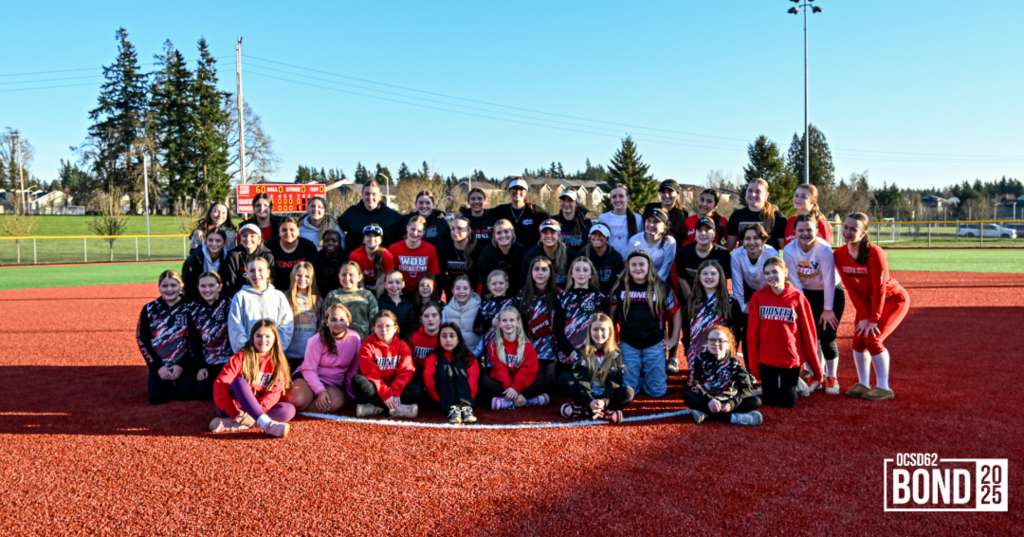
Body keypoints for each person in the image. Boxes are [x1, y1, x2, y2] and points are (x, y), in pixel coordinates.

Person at [833, 212, 910, 401]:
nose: (848, 232)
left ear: (864, 233)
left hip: (892, 300)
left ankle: (884, 387)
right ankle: (864, 383)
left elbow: (880, 289)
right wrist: (864, 314)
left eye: (853, 229)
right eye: (846, 227)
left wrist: (873, 319)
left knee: (873, 340)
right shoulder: (839, 254)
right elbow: (850, 288)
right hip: (867, 303)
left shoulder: (875, 253)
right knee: (858, 340)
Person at [747, 257, 823, 408]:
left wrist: (816, 369)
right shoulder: (758, 297)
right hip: (767, 359)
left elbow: (808, 332)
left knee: (788, 403)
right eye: (767, 273)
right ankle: (778, 384)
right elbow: (752, 333)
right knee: (770, 401)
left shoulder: (797, 297)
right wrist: (754, 366)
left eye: (775, 271)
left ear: (785, 272)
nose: (771, 276)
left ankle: (797, 381)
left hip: (789, 360)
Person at [783, 214, 846, 395]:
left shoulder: (823, 249)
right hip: (807, 293)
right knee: (809, 336)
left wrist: (827, 309)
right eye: (801, 230)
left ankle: (831, 377)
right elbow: (795, 280)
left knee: (826, 335)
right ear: (794, 232)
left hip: (831, 292)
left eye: (809, 230)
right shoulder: (789, 250)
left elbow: (828, 280)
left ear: (817, 231)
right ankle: (816, 376)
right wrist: (803, 308)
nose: (805, 234)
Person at [609, 251, 681, 398]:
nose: (637, 268)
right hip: (628, 343)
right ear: (627, 267)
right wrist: (612, 339)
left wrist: (674, 339)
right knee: (629, 392)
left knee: (657, 392)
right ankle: (638, 379)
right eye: (633, 264)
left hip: (654, 343)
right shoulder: (620, 287)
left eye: (641, 264)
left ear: (649, 266)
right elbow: (611, 315)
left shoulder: (661, 287)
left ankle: (646, 379)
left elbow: (676, 311)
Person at [209, 320, 293, 438]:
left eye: (267, 336)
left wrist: (256, 412)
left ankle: (236, 425)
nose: (263, 340)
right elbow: (220, 385)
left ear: (275, 339)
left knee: (288, 410)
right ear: (252, 337)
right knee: (240, 383)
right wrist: (234, 413)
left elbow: (274, 393)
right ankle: (266, 424)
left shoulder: (278, 362)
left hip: (257, 410)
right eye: (258, 336)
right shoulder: (241, 357)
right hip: (234, 409)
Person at [285, 303, 361, 414]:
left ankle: (304, 408)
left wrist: (351, 397)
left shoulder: (354, 338)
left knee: (337, 402)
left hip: (331, 384)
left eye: (342, 319)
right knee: (296, 400)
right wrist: (320, 391)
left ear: (348, 321)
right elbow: (309, 369)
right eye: (334, 320)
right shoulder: (316, 339)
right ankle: (301, 403)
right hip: (308, 378)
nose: (338, 323)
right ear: (327, 322)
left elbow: (352, 370)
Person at [558, 313, 633, 424]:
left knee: (628, 392)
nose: (599, 333)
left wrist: (603, 401)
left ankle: (584, 411)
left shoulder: (617, 354)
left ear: (610, 332)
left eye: (603, 330)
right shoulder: (582, 352)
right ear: (589, 331)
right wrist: (590, 401)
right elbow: (581, 379)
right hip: (586, 395)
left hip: (608, 397)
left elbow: (614, 382)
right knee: (564, 378)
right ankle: (605, 413)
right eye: (595, 329)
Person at [478, 307, 557, 410]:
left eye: (512, 320)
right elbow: (499, 371)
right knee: (483, 380)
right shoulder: (493, 345)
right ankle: (528, 400)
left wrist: (516, 389)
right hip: (504, 385)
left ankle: (506, 402)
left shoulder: (528, 346)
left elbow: (527, 372)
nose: (508, 323)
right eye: (504, 320)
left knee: (552, 379)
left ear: (519, 323)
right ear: (499, 324)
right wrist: (511, 389)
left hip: (522, 384)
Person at [137, 270, 196, 404]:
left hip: (183, 363)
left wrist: (181, 364)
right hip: (160, 363)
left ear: (181, 286)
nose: (169, 289)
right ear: (159, 287)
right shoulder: (149, 309)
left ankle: (178, 381)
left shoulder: (191, 307)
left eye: (173, 285)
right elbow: (142, 339)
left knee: (187, 394)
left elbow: (195, 340)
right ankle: (165, 382)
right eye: (164, 286)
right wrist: (158, 367)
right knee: (157, 399)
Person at [684, 326, 763, 426]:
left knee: (755, 401)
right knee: (688, 397)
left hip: (728, 401)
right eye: (712, 340)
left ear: (728, 345)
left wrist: (732, 403)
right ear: (706, 343)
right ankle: (733, 418)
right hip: (708, 400)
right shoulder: (701, 359)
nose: (716, 344)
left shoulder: (734, 364)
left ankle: (706, 413)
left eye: (720, 340)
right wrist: (709, 400)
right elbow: (692, 383)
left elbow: (747, 388)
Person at [352, 311, 420, 419]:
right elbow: (371, 373)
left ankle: (375, 408)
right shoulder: (367, 345)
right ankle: (397, 410)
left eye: (388, 326)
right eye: (379, 326)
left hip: (395, 389)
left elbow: (406, 372)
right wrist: (386, 393)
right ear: (374, 327)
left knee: (416, 389)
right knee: (357, 381)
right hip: (376, 389)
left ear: (395, 327)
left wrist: (394, 391)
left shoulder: (403, 346)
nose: (384, 330)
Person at [683, 261, 744, 370]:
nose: (709, 277)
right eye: (705, 273)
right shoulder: (691, 300)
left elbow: (736, 328)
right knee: (697, 385)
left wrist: (731, 349)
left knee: (719, 385)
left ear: (720, 276)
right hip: (696, 353)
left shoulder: (730, 301)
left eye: (713, 273)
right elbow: (686, 327)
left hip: (721, 352)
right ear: (699, 277)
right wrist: (687, 346)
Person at [227, 257, 294, 354]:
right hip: (248, 356)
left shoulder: (279, 296)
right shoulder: (240, 296)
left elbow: (286, 326)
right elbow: (235, 327)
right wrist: (247, 351)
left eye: (260, 270)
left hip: (273, 356)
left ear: (268, 273)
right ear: (247, 274)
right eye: (252, 271)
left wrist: (276, 350)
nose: (256, 274)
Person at [554, 257, 608, 374]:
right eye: (577, 270)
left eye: (585, 270)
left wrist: (593, 351)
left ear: (591, 274)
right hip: (567, 357)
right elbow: (557, 328)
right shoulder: (562, 298)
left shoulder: (599, 299)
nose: (581, 273)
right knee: (564, 383)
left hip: (592, 357)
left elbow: (606, 330)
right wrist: (569, 352)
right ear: (571, 273)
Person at [186, 271, 233, 401]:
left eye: (211, 285)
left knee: (228, 392)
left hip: (227, 360)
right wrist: (201, 367)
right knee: (202, 394)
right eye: (203, 286)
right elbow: (193, 340)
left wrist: (232, 361)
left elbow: (235, 335)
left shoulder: (230, 304)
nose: (207, 290)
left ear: (220, 286)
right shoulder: (193, 308)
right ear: (198, 287)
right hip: (207, 360)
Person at [424, 323, 479, 424]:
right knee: (444, 364)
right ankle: (452, 409)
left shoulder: (468, 357)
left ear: (458, 339)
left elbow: (473, 379)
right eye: (444, 336)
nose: (448, 339)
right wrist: (441, 399)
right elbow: (428, 379)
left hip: (466, 398)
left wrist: (468, 399)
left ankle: (466, 408)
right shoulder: (433, 357)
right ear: (439, 339)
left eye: (452, 336)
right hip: (442, 399)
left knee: (457, 363)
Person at [518, 256, 563, 375]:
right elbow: (520, 321)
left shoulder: (560, 294)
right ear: (531, 272)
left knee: (552, 380)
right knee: (534, 380)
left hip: (554, 348)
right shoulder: (522, 294)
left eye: (544, 269)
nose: (540, 273)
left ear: (550, 273)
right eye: (536, 269)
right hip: (530, 347)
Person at [337, 180, 404, 253]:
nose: (370, 197)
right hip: (355, 260)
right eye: (367, 194)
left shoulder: (391, 215)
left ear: (380, 196)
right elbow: (335, 227)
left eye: (374, 194)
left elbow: (409, 224)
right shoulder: (351, 213)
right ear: (362, 195)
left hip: (383, 261)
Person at [730, 224, 781, 316]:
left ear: (763, 241)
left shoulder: (771, 254)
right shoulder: (736, 255)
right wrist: (742, 307)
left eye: (756, 238)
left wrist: (775, 302)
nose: (752, 242)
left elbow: (778, 281)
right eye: (747, 239)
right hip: (749, 290)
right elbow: (737, 285)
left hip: (770, 290)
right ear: (742, 241)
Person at [675, 217, 731, 300]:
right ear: (695, 234)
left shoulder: (723, 254)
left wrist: (717, 301)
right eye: (699, 230)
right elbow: (682, 279)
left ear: (714, 234)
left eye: (708, 230)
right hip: (689, 296)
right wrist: (690, 301)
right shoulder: (683, 252)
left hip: (714, 298)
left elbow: (725, 281)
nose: (703, 233)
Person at [321, 261, 379, 340]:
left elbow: (374, 323)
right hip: (335, 345)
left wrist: (373, 344)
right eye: (344, 275)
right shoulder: (332, 295)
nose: (347, 278)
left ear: (359, 277)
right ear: (339, 276)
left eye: (351, 275)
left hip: (362, 344)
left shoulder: (367, 296)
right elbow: (323, 322)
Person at [726, 178, 788, 250]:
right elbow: (729, 246)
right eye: (750, 191)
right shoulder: (736, 216)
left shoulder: (777, 217)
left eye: (758, 191)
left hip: (769, 260)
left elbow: (786, 247)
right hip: (744, 261)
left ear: (766, 195)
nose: (753, 194)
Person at [389, 215, 441, 297]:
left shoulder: (430, 249)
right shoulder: (394, 248)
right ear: (407, 228)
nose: (415, 233)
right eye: (412, 229)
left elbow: (432, 276)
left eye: (419, 231)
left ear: (424, 232)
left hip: (422, 293)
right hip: (400, 292)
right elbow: (390, 274)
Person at [491, 177, 550, 249]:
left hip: (530, 256)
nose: (517, 191)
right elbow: (483, 213)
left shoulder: (535, 211)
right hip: (508, 256)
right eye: (514, 188)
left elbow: (554, 220)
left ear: (526, 192)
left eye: (521, 189)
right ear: (509, 191)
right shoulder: (501, 210)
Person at [282, 262, 320, 372]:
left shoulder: (317, 300)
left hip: (309, 356)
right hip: (288, 356)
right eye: (298, 275)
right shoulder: (285, 298)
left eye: (307, 276)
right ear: (292, 276)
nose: (302, 279)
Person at [220, 223, 275, 297]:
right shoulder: (233, 255)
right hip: (239, 297)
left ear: (259, 240)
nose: (248, 239)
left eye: (252, 236)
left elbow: (271, 281)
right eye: (244, 236)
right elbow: (229, 284)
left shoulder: (267, 255)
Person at [266, 217, 319, 291]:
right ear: (279, 231)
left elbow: (315, 272)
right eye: (284, 230)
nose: (288, 233)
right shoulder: (269, 246)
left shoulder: (308, 247)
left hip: (301, 290)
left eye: (292, 230)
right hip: (277, 291)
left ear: (298, 230)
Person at [473, 270, 517, 360]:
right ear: (489, 286)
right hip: (489, 353)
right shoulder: (484, 305)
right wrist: (490, 322)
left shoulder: (513, 304)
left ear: (507, 285)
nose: (498, 286)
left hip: (510, 351)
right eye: (494, 284)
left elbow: (520, 326)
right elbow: (476, 328)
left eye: (501, 283)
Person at [520, 219, 577, 288]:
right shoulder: (530, 256)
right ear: (540, 235)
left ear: (558, 235)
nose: (549, 235)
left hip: (564, 295)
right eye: (545, 233)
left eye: (552, 232)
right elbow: (524, 282)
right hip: (539, 294)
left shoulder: (570, 254)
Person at [477, 219, 527, 295]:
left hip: (517, 292)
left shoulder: (521, 251)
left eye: (506, 231)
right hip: (494, 293)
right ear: (494, 236)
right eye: (499, 233)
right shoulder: (486, 254)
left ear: (512, 232)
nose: (503, 235)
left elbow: (524, 278)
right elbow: (485, 280)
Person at [627, 208, 676, 282]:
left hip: (660, 283)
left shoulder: (670, 242)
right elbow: (633, 267)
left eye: (656, 222)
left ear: (664, 226)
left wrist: (653, 287)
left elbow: (664, 271)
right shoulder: (634, 240)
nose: (651, 225)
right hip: (638, 283)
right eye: (648, 221)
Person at [438, 215, 480, 298]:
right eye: (453, 229)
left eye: (460, 228)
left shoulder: (478, 250)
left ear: (469, 231)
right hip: (451, 291)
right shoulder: (443, 248)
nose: (455, 232)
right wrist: (450, 292)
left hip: (472, 293)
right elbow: (441, 276)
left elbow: (478, 279)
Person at [407, 301, 443, 400]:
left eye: (434, 315)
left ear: (440, 318)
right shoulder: (413, 337)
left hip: (438, 376)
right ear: (421, 319)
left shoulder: (446, 336)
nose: (430, 319)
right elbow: (407, 363)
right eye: (426, 316)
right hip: (418, 376)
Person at [183, 228, 229, 300]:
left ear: (225, 243)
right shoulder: (193, 259)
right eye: (210, 240)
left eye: (218, 240)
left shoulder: (229, 259)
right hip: (198, 300)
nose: (214, 244)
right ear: (205, 241)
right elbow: (189, 287)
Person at [348, 224, 394, 296]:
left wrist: (378, 304)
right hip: (362, 287)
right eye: (368, 235)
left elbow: (380, 283)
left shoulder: (386, 255)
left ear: (380, 240)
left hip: (381, 289)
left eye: (375, 236)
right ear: (364, 239)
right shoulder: (355, 255)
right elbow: (359, 281)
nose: (371, 239)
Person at [597, 185, 642, 256]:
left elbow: (642, 241)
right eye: (614, 197)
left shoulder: (638, 218)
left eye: (621, 196)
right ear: (610, 199)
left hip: (631, 262)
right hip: (610, 261)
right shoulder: (603, 218)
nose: (617, 200)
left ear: (628, 198)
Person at [581, 223, 625, 295]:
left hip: (609, 296)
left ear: (607, 237)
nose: (597, 237)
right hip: (587, 296)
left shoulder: (616, 257)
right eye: (594, 234)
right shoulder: (582, 255)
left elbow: (617, 282)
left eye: (602, 234)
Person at [643, 179, 690, 245]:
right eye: (663, 192)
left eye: (670, 192)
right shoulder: (651, 208)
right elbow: (643, 230)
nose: (666, 195)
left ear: (677, 194)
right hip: (653, 250)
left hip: (675, 252)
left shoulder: (683, 213)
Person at [442, 275, 482, 352]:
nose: (461, 291)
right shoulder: (446, 311)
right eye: (458, 288)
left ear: (471, 292)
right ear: (453, 291)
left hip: (474, 355)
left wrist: (476, 353)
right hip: (453, 356)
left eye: (465, 288)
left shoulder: (479, 310)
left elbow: (483, 336)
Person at [376, 270, 417, 339]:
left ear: (403, 284)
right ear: (385, 284)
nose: (394, 286)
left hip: (403, 343)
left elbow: (411, 328)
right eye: (390, 282)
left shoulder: (408, 305)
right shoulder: (380, 303)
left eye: (397, 282)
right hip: (385, 341)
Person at [312, 229, 346, 298]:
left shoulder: (346, 258)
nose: (330, 243)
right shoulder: (316, 259)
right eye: (327, 241)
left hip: (342, 294)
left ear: (339, 243)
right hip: (322, 295)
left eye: (334, 240)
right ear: (323, 243)